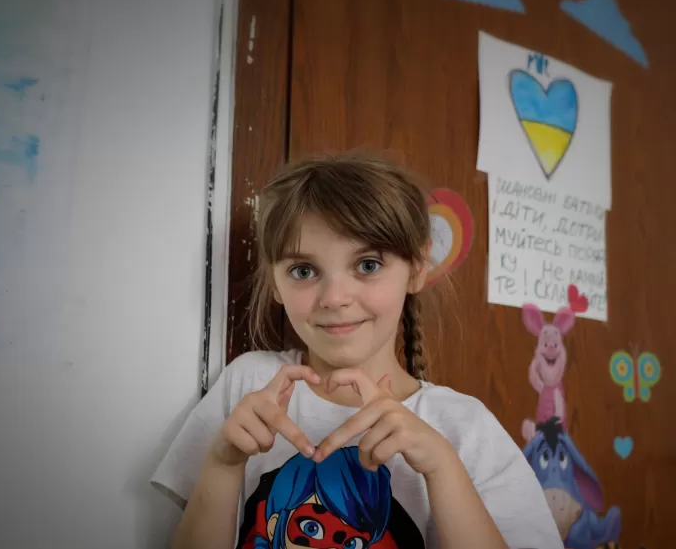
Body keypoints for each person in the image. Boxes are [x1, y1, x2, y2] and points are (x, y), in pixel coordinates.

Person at [150, 153, 563, 549]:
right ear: (274, 282)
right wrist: (223, 465)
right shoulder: (249, 383)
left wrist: (442, 468)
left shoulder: (465, 428)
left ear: (417, 268)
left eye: (367, 265)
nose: (335, 297)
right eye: (304, 271)